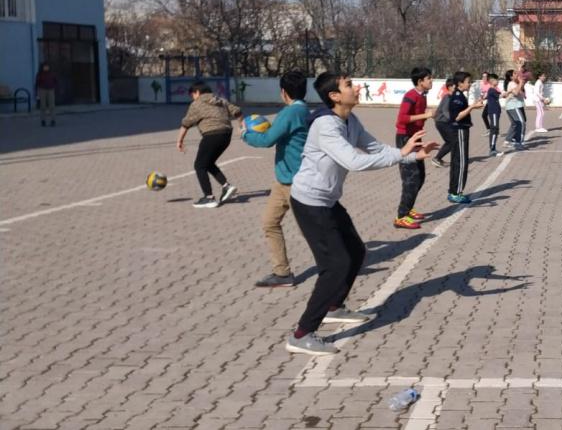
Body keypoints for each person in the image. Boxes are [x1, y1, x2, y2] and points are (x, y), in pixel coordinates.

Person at [285, 72, 437, 356]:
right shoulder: (326, 126)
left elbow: (374, 148)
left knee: (355, 251)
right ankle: (302, 333)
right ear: (334, 96)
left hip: (328, 200)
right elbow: (354, 161)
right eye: (348, 85)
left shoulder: (350, 120)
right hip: (309, 202)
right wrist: (400, 154)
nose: (356, 88)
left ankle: (334, 306)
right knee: (336, 264)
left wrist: (410, 154)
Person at [240, 71, 310, 287]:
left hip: (295, 183)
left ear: (283, 92)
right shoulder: (304, 110)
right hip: (283, 181)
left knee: (312, 230)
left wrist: (245, 134)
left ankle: (339, 264)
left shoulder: (290, 113)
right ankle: (282, 273)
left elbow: (267, 140)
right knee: (270, 222)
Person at [177, 82, 242, 209]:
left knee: (199, 165)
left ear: (197, 92)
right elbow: (237, 111)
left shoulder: (196, 104)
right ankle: (226, 186)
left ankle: (208, 198)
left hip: (212, 135)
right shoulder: (221, 100)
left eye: (193, 95)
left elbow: (186, 123)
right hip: (226, 135)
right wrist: (241, 126)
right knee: (208, 162)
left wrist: (179, 141)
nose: (193, 98)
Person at [394, 67, 436, 229]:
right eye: (429, 78)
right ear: (420, 82)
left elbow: (419, 114)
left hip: (416, 138)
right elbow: (402, 119)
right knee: (411, 179)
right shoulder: (410, 96)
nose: (431, 81)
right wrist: (425, 115)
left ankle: (408, 208)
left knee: (421, 177)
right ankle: (401, 216)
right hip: (405, 139)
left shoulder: (422, 96)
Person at [447, 71, 485, 204]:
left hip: (460, 131)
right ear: (460, 83)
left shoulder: (460, 95)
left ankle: (453, 191)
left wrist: (473, 106)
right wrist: (473, 106)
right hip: (459, 131)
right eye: (467, 81)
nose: (469, 84)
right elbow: (457, 116)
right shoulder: (457, 96)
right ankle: (456, 192)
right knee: (461, 162)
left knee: (458, 161)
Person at [430, 77, 456, 169]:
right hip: (441, 122)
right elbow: (445, 111)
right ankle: (436, 158)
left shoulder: (451, 97)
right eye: (455, 86)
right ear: (449, 87)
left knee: (449, 141)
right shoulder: (447, 97)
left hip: (443, 122)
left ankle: (438, 159)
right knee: (452, 141)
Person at [503, 70, 527, 150]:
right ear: (511, 77)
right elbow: (516, 93)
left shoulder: (515, 83)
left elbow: (522, 93)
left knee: (514, 124)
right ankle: (518, 142)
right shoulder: (511, 83)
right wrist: (520, 83)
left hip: (514, 106)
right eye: (515, 74)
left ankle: (507, 141)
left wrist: (521, 84)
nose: (517, 75)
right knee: (521, 122)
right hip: (513, 106)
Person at [482, 72, 503, 157]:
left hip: (496, 112)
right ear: (491, 81)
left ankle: (493, 148)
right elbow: (501, 95)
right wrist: (510, 91)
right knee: (494, 129)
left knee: (495, 130)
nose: (497, 81)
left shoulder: (494, 90)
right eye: (496, 80)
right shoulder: (492, 90)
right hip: (493, 112)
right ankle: (492, 149)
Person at [35, 63, 57, 127]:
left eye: (47, 66)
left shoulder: (52, 73)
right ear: (42, 67)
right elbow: (37, 83)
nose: (46, 68)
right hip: (42, 90)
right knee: (43, 106)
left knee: (52, 106)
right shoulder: (40, 74)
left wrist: (55, 87)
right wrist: (37, 93)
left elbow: (56, 81)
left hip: (51, 90)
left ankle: (53, 120)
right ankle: (43, 120)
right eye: (45, 67)